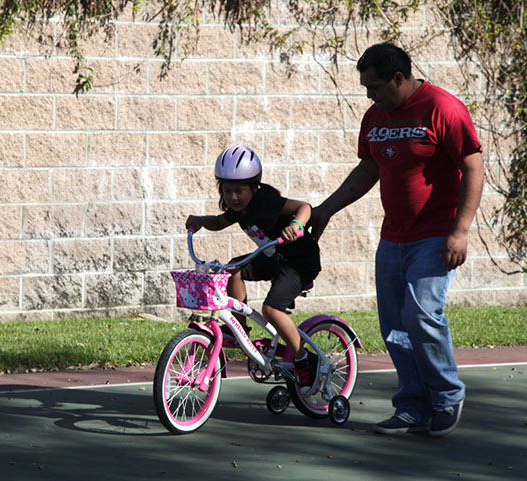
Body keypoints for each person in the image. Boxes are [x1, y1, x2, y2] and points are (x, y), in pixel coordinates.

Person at [312, 42, 485, 436]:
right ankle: (412, 406)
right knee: (394, 325)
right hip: (393, 238)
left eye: (374, 87)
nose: (369, 95)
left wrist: (460, 230)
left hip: (435, 235)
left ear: (398, 78)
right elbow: (368, 168)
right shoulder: (376, 116)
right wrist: (326, 209)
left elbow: (473, 167)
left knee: (421, 315)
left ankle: (446, 395)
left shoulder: (443, 108)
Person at [185, 144, 322, 395]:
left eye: (239, 191)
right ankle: (238, 330)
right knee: (230, 269)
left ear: (254, 187)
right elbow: (218, 222)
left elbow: (304, 207)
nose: (233, 197)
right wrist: (201, 221)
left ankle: (304, 359)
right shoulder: (239, 209)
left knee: (271, 309)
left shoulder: (267, 201)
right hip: (272, 256)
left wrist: (296, 225)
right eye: (227, 191)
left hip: (298, 262)